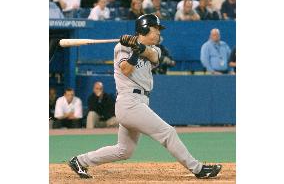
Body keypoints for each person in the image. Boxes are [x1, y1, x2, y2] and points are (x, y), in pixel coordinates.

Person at [68, 14, 222, 179]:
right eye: (155, 29)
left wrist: (138, 47)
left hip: (139, 102)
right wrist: (134, 51)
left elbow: (153, 56)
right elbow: (126, 70)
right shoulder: (121, 47)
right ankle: (198, 169)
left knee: (124, 150)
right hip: (129, 102)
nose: (158, 33)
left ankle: (80, 161)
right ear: (144, 28)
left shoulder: (154, 48)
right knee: (167, 132)